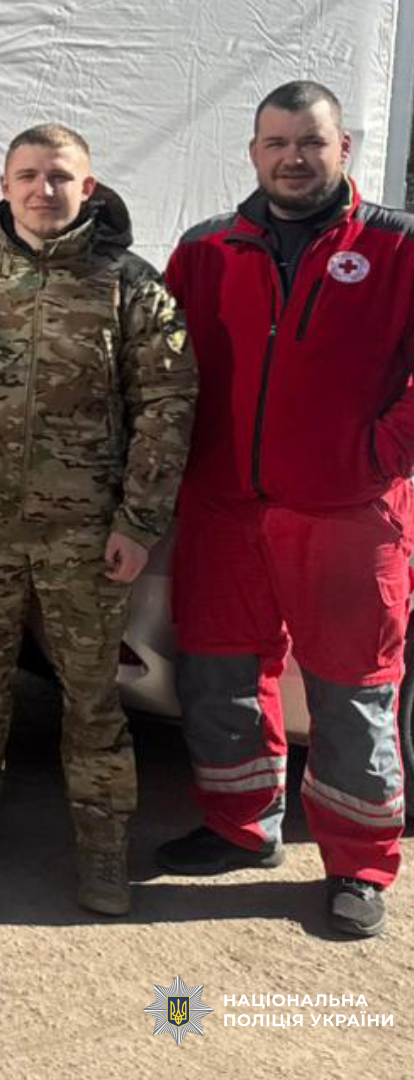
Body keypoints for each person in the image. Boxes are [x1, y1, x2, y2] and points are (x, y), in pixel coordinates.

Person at [0, 123, 196, 915]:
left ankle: (102, 847)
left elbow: (166, 406)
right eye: (27, 175)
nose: (42, 189)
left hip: (87, 536)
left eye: (59, 176)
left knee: (92, 698)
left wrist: (139, 521)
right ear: (7, 183)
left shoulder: (132, 286)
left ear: (86, 188)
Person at [157, 81, 414, 938]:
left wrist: (376, 456)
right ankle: (239, 826)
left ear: (343, 149)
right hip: (225, 503)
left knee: (351, 690)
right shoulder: (206, 248)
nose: (293, 158)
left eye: (310, 142)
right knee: (221, 674)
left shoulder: (398, 248)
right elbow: (162, 372)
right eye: (276, 143)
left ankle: (360, 864)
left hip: (345, 512)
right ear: (253, 151)